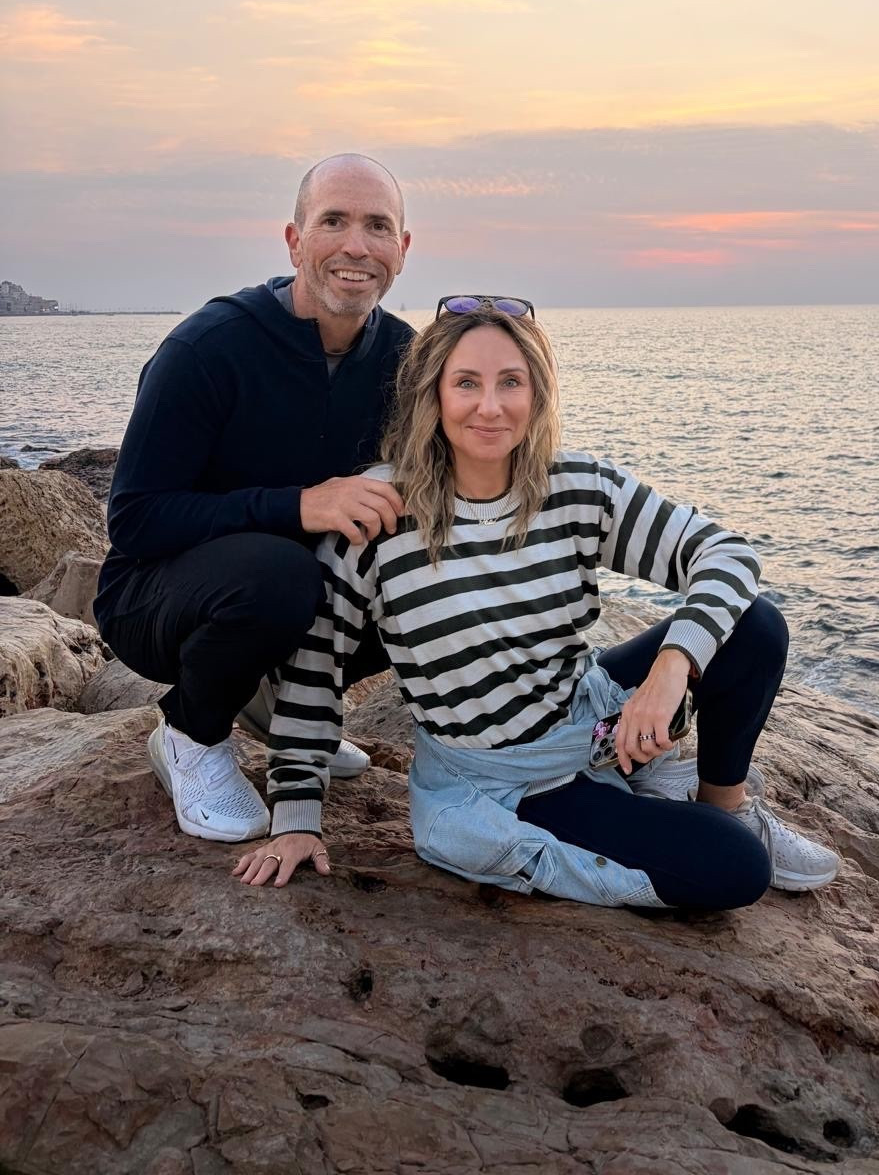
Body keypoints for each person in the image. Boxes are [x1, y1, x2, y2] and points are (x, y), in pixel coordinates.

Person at [235, 295, 840, 910]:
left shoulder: (575, 487)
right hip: (504, 781)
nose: (490, 406)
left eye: (511, 382)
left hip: (586, 715)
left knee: (756, 626)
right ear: (433, 394)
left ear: (537, 393)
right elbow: (313, 669)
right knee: (734, 871)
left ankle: (725, 807)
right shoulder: (382, 514)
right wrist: (296, 818)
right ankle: (671, 816)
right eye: (466, 382)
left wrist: (670, 668)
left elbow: (727, 554)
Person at [94, 154, 414, 845]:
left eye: (376, 226)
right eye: (333, 221)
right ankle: (190, 734)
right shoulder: (209, 348)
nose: (356, 245)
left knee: (424, 556)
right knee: (278, 574)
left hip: (299, 603)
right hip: (161, 596)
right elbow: (136, 519)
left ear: (402, 250)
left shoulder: (406, 361)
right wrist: (297, 505)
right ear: (295, 240)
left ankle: (287, 708)